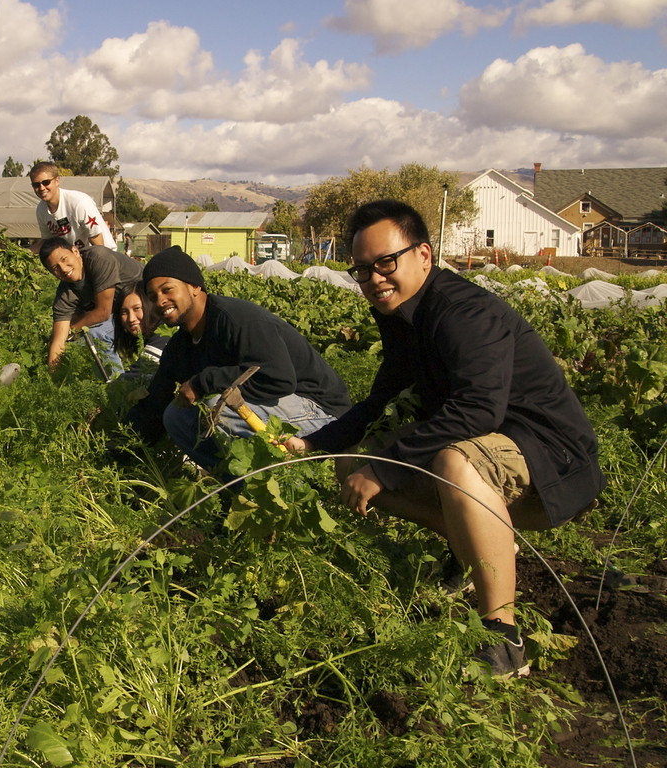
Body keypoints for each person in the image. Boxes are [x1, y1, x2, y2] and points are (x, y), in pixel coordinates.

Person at [287, 199, 606, 677]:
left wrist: (387, 465)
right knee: (351, 465)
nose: (374, 278)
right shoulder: (401, 317)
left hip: (549, 454)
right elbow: (381, 398)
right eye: (362, 270)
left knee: (456, 463)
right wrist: (315, 442)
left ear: (424, 255)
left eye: (385, 263)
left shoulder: (463, 312)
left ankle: (501, 635)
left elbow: (480, 409)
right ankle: (472, 547)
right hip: (490, 443)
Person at [126, 246, 351, 474]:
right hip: (280, 411)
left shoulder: (238, 320)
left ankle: (289, 484)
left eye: (167, 290)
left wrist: (202, 382)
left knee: (220, 406)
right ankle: (237, 488)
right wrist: (121, 447)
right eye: (153, 297)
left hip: (324, 416)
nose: (160, 301)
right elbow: (156, 402)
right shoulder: (179, 347)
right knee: (175, 416)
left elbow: (278, 379)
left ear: (194, 286)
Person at [40, 236, 141, 373]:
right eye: (55, 268)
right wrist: (51, 377)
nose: (63, 269)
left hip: (148, 303)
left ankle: (118, 385)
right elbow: (58, 341)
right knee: (78, 342)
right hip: (122, 314)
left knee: (96, 334)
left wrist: (72, 329)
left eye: (64, 259)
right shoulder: (65, 294)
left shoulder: (98, 258)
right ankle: (107, 385)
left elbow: (103, 312)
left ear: (75, 251)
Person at [30, 161, 114, 250]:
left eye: (46, 182)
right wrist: (23, 252)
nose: (42, 188)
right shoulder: (41, 210)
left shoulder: (78, 203)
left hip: (105, 255)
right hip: (77, 257)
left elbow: (99, 246)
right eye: (36, 185)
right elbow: (48, 242)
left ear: (57, 181)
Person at [112, 280, 169, 380]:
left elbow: (142, 371)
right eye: (124, 312)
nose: (131, 319)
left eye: (137, 309)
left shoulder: (164, 332)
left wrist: (112, 386)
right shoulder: (146, 337)